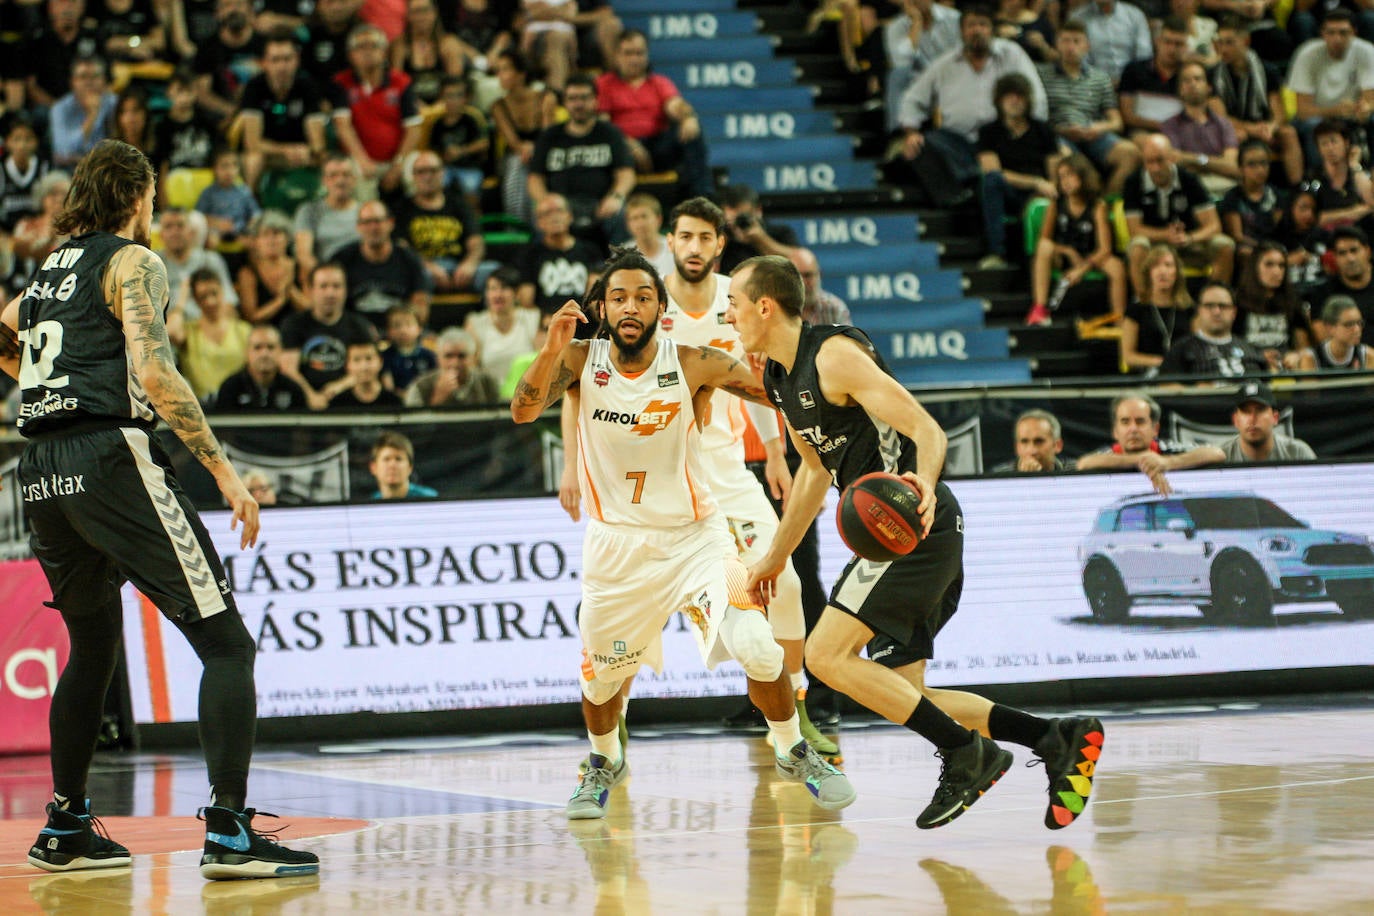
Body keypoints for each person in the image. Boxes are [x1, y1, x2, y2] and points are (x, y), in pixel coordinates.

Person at [0, 138, 318, 879]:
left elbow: (4, 328)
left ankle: (66, 825)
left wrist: (45, 385)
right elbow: (154, 368)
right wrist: (226, 474)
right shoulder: (132, 261)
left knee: (93, 646)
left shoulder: (48, 270)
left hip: (41, 467)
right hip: (109, 458)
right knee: (227, 644)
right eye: (152, 198)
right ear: (137, 196)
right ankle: (231, 832)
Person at [728, 255, 1104, 831]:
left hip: (912, 527)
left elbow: (926, 427)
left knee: (825, 657)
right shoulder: (779, 378)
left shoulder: (832, 356)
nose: (727, 314)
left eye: (733, 302)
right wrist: (773, 558)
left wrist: (923, 483)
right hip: (895, 538)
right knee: (904, 696)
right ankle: (1054, 737)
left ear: (764, 305)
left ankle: (967, 755)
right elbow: (810, 473)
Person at [511, 249, 855, 820]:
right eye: (618, 297)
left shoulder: (694, 361)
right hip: (615, 545)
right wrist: (549, 348)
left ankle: (792, 747)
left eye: (643, 297)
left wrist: (845, 394)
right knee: (601, 684)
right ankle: (601, 761)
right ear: (601, 307)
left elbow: (778, 391)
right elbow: (523, 413)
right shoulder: (576, 359)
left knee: (756, 644)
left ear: (659, 309)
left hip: (698, 538)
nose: (630, 307)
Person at [895, 3, 1048, 195]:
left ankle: (972, 181)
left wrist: (1027, 131)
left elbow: (1037, 96)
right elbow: (912, 99)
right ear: (961, 31)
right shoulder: (945, 64)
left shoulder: (1012, 54)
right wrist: (911, 132)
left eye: (983, 25)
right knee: (922, 144)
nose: (977, 30)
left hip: (1003, 139)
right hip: (959, 142)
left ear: (992, 30)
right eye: (971, 25)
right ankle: (962, 190)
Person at [595, 28, 712, 199]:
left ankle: (701, 197)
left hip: (657, 147)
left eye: (639, 53)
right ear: (617, 56)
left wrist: (688, 117)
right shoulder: (603, 84)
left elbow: (675, 105)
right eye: (628, 53)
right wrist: (626, 143)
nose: (634, 59)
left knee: (692, 130)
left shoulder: (659, 83)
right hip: (621, 148)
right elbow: (602, 124)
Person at [528, 73, 635, 249]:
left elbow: (626, 174)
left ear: (595, 101)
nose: (578, 104)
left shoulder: (610, 133)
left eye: (584, 98)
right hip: (561, 207)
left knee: (621, 214)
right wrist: (547, 203)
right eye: (572, 98)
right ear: (565, 103)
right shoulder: (549, 136)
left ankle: (619, 271)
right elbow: (535, 179)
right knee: (543, 217)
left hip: (601, 206)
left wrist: (616, 197)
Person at [1123, 134, 1235, 293]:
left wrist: (1189, 238)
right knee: (1137, 246)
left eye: (1160, 160)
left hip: (1188, 242)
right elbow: (1134, 230)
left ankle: (1214, 299)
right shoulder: (1133, 182)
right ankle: (1145, 305)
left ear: (1171, 158)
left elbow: (1213, 226)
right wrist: (1165, 235)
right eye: (1149, 162)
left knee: (1224, 245)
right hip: (1155, 245)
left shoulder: (1189, 179)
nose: (1155, 168)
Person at [1038, 21, 1141, 195]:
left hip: (1092, 133)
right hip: (1058, 134)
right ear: (1057, 44)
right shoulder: (1041, 73)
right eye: (1065, 41)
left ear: (1087, 45)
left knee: (1131, 153)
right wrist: (1060, 129)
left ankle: (1106, 203)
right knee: (1065, 159)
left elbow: (1117, 122)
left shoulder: (1100, 78)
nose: (1071, 47)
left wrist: (1098, 128)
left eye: (1076, 41)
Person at [1027, 152, 1127, 325]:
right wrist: (1067, 251)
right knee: (1044, 247)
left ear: (1083, 175)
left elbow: (1105, 249)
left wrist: (1082, 268)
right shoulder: (1056, 205)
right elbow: (1044, 240)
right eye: (1061, 177)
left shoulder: (1097, 206)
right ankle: (1040, 308)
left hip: (1090, 257)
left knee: (1116, 266)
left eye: (1070, 175)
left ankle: (1120, 319)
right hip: (1064, 255)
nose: (1066, 181)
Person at [976, 72, 1062, 270]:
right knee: (992, 181)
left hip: (1041, 192)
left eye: (1019, 95)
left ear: (1028, 99)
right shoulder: (988, 132)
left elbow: (1055, 172)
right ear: (999, 101)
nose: (1014, 101)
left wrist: (1044, 187)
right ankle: (996, 252)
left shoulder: (1043, 130)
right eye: (1009, 96)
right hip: (1010, 191)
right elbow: (993, 171)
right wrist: (1034, 182)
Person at [1210, 15, 1303, 187]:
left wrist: (1270, 127)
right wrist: (1254, 130)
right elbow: (1220, 118)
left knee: (1288, 133)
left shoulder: (1267, 70)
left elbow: (1279, 113)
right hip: (1232, 129)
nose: (1223, 49)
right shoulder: (1214, 74)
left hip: (1262, 127)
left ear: (1245, 41)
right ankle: (1243, 193)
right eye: (1220, 43)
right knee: (1238, 135)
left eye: (1230, 42)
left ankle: (1297, 190)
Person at [333, 23, 425, 197]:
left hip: (398, 158)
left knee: (421, 169)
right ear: (351, 55)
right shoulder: (342, 83)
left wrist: (398, 165)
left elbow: (413, 129)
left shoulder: (401, 82)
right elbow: (343, 126)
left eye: (373, 46)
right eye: (360, 47)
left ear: (384, 52)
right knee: (354, 175)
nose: (367, 51)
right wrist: (362, 161)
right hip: (361, 159)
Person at [238, 30, 332, 191]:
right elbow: (252, 143)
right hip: (269, 154)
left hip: (301, 153)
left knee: (328, 160)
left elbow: (317, 142)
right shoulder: (254, 87)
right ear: (264, 63)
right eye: (275, 60)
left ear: (296, 60)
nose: (282, 66)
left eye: (287, 59)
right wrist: (284, 150)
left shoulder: (308, 86)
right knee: (252, 160)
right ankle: (252, 209)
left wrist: (307, 150)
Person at [1076, 392, 1225, 494]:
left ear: (1155, 429)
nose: (1133, 429)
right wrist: (1144, 459)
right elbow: (1084, 463)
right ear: (1115, 431)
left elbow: (1217, 453)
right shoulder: (1106, 456)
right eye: (1125, 422)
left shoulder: (1167, 449)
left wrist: (1169, 462)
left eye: (1140, 421)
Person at [280, 261, 379, 409]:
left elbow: (367, 367)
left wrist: (338, 387)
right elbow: (288, 369)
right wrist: (311, 396)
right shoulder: (294, 324)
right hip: (301, 403)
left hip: (349, 403)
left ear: (345, 291)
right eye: (323, 286)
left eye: (336, 286)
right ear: (311, 290)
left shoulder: (359, 326)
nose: (330, 293)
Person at [393, 150, 489, 293]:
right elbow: (402, 248)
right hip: (422, 269)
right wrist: (428, 267)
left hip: (459, 268)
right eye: (421, 172)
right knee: (414, 277)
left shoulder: (459, 205)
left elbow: (476, 241)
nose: (427, 177)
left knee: (493, 273)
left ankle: (488, 316)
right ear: (413, 176)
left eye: (433, 170)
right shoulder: (402, 209)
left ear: (442, 173)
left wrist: (469, 264)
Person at [1288, 11, 1374, 169]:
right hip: (1318, 116)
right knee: (1316, 127)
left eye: (1343, 33)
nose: (1337, 39)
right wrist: (1336, 111)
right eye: (1331, 33)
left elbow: (1369, 99)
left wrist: (1365, 109)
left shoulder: (1367, 51)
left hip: (1351, 114)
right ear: (1322, 33)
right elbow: (1302, 110)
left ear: (1354, 32)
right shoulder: (1307, 54)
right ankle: (1321, 177)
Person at [334, 199, 432, 328]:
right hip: (355, 336)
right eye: (367, 222)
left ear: (390, 223)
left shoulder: (409, 259)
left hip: (399, 335)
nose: (373, 227)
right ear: (358, 227)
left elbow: (421, 309)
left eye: (378, 221)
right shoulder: (342, 260)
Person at [489, 48, 558, 224]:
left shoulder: (545, 97)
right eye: (499, 70)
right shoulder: (498, 106)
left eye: (505, 69)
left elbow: (548, 134)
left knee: (536, 162)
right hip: (515, 157)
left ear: (521, 73)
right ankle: (517, 223)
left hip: (545, 152)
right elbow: (512, 142)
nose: (500, 75)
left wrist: (535, 149)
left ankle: (542, 221)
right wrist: (525, 149)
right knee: (517, 164)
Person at [166, 268, 254, 402]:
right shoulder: (189, 331)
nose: (210, 301)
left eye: (214, 293)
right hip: (204, 406)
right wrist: (182, 297)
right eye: (202, 296)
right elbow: (170, 332)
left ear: (223, 291)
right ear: (195, 300)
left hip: (239, 405)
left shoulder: (242, 330)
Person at [1160, 61, 1241, 194]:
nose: (1192, 84)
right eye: (1186, 80)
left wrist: (1195, 160)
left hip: (1224, 184)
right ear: (1180, 89)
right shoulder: (1170, 125)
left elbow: (1231, 165)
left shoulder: (1223, 124)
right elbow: (1175, 161)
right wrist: (1216, 163)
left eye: (1198, 79)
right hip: (1189, 187)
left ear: (1209, 87)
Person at [517, 193, 604, 318]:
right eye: (547, 213)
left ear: (570, 216)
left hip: (585, 324)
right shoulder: (530, 255)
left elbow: (597, 299)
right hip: (547, 325)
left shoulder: (590, 251)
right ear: (538, 223)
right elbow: (526, 302)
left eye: (559, 211)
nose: (554, 217)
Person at [1159, 280, 1269, 376]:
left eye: (1223, 306)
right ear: (1199, 310)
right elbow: (1167, 387)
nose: (1216, 312)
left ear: (1234, 312)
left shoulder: (1250, 348)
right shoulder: (1180, 350)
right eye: (1209, 305)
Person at [1233, 240, 1315, 368]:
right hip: (1250, 363)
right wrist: (1258, 356)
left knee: (1306, 359)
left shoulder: (1292, 301)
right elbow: (1229, 342)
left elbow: (1303, 345)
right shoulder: (1238, 301)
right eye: (1269, 265)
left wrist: (1297, 355)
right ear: (1255, 267)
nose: (1277, 271)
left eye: (1281, 266)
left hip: (1283, 363)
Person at [883, 0, 962, 131]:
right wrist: (916, 22)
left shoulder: (954, 19)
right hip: (917, 80)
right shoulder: (895, 27)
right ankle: (900, 135)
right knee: (897, 76)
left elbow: (963, 55)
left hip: (951, 75)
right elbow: (901, 62)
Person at [1122, 243, 1197, 373]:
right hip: (1148, 374)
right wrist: (1162, 362)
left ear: (1177, 272)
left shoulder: (1189, 309)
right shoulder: (1136, 310)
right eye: (1156, 265)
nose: (1163, 271)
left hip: (1183, 373)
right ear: (1148, 273)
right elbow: (1128, 356)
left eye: (1168, 265)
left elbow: (1198, 348)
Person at [155, 209, 240, 320]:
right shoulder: (153, 263)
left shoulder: (210, 260)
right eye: (168, 227)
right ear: (161, 235)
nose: (175, 232)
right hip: (166, 330)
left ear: (192, 232)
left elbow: (229, 304)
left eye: (180, 226)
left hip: (206, 327)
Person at [465, 266, 541, 387]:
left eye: (504, 288)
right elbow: (470, 367)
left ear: (516, 293)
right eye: (492, 289)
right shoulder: (475, 322)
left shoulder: (533, 318)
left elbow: (544, 362)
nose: (497, 294)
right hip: (491, 398)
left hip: (527, 394)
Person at [293, 153, 362, 286]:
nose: (340, 181)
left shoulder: (365, 212)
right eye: (333, 175)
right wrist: (329, 278)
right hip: (327, 279)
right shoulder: (309, 211)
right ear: (324, 181)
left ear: (354, 179)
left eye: (346, 175)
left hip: (362, 276)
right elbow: (303, 254)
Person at [1117, 17, 1188, 135]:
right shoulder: (1134, 70)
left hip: (1179, 135)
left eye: (1178, 44)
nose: (1172, 49)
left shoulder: (1189, 75)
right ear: (1157, 41)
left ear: (1186, 46)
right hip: (1140, 132)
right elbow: (1127, 116)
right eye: (1167, 42)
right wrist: (1164, 126)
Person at [1219, 140, 1284, 267]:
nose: (1259, 169)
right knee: (1245, 252)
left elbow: (1279, 229)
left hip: (1274, 247)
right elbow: (1237, 236)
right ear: (1241, 168)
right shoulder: (1232, 197)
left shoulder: (1276, 195)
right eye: (1252, 164)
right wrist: (1262, 249)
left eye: (1263, 163)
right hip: (1248, 249)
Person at [235, 210, 306, 326]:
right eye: (265, 234)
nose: (271, 240)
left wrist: (291, 291)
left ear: (287, 238)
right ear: (256, 241)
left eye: (277, 233)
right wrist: (279, 301)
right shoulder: (248, 273)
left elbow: (311, 310)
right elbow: (250, 317)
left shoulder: (299, 267)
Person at [215, 324, 309, 411]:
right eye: (257, 347)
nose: (264, 354)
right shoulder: (230, 389)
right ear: (247, 352)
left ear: (281, 351)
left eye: (271, 347)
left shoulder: (293, 390)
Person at [389, 0, 466, 105]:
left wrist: (436, 108)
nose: (421, 16)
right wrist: (415, 104)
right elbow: (396, 83)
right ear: (408, 15)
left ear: (434, 13)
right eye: (416, 11)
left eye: (425, 10)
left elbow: (455, 83)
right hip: (411, 106)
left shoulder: (449, 44)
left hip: (445, 106)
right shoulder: (399, 46)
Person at [48, 56, 118, 169]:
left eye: (95, 77)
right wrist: (91, 116)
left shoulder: (115, 104)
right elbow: (62, 151)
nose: (89, 82)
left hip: (107, 168)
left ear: (104, 80)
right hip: (69, 170)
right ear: (73, 82)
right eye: (83, 77)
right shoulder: (60, 108)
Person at [1220, 381, 1318, 461]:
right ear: (1235, 420)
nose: (1252, 418)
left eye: (1260, 410)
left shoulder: (1298, 453)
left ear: (1275, 418)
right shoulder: (1221, 456)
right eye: (1246, 412)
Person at [717, 185, 800, 276]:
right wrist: (723, 239)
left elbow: (800, 263)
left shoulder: (781, 232)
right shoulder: (723, 236)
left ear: (758, 210)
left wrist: (760, 239)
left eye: (742, 219)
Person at [430, 75, 490, 200]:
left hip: (469, 168)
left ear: (466, 98)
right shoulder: (437, 124)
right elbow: (433, 150)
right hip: (445, 168)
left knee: (469, 186)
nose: (453, 100)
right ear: (442, 98)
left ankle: (471, 218)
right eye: (449, 96)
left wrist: (462, 151)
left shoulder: (472, 119)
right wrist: (444, 156)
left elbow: (484, 143)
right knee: (437, 183)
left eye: (458, 95)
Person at [404, 326, 499, 406]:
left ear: (473, 359)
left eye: (462, 356)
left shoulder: (488, 383)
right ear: (438, 359)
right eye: (448, 356)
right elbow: (413, 424)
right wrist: (438, 398)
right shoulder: (420, 387)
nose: (455, 363)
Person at [1307, 119, 1374, 229]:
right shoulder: (1313, 176)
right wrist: (1350, 213)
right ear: (1318, 149)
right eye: (1324, 144)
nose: (1330, 148)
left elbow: (1372, 203)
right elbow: (1313, 218)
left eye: (1334, 141)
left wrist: (1354, 165)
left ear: (1346, 143)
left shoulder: (1357, 172)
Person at [1069, 0, 1152, 85]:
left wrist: (1128, 81)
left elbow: (1144, 55)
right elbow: (1080, 59)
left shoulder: (1135, 15)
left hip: (1132, 84)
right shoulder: (1077, 18)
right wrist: (1100, 81)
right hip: (1093, 85)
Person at [1312, 226, 1374, 334]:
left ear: (1367, 251)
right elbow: (1324, 341)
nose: (1350, 258)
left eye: (1354, 250)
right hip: (1348, 350)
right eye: (1342, 253)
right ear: (1335, 258)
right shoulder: (1323, 294)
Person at [195, 149, 262, 250]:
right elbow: (198, 217)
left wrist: (250, 227)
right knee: (211, 240)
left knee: (255, 242)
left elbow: (256, 214)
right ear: (215, 169)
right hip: (217, 231)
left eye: (234, 165)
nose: (230, 171)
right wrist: (216, 222)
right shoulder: (209, 193)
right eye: (224, 166)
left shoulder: (244, 191)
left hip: (240, 231)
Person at [1300, 296, 1372, 368]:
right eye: (1349, 324)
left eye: (1360, 323)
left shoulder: (1367, 356)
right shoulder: (1311, 358)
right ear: (1330, 327)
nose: (1357, 329)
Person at [329, 339, 404, 408]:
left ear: (380, 362)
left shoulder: (393, 402)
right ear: (347, 365)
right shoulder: (338, 403)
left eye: (369, 358)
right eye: (357, 360)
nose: (363, 367)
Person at [994, 408, 1073, 471]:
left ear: (1057, 445)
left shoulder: (1075, 472)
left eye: (1039, 441)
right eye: (1024, 442)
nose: (1032, 450)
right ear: (1017, 447)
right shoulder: (998, 477)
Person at [788, 248, 852, 325]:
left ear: (819, 275)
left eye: (807, 276)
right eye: (797, 276)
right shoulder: (778, 310)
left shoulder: (835, 309)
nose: (802, 283)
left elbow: (848, 337)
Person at [381, 304, 437, 393]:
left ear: (419, 328)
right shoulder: (384, 357)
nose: (403, 330)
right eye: (397, 325)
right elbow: (388, 387)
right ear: (389, 331)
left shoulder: (429, 356)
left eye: (408, 324)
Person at [369, 430, 438, 498]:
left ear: (410, 467)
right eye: (386, 459)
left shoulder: (430, 500)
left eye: (398, 459)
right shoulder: (369, 504)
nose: (392, 465)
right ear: (373, 467)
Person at [624, 192, 675, 280]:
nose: (640, 224)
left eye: (644, 216)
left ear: (658, 219)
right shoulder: (623, 255)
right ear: (628, 224)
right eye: (635, 218)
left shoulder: (676, 249)